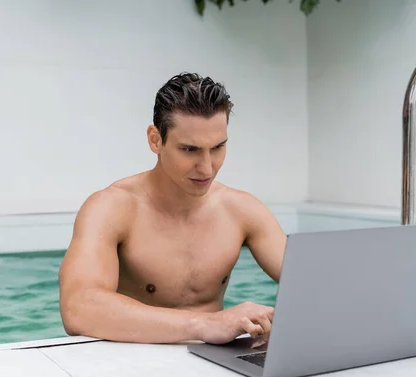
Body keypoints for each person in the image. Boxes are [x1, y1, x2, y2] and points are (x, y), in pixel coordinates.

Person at [58, 72, 287, 345]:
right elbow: (78, 308)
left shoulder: (241, 209)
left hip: (214, 366)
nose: (206, 167)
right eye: (190, 150)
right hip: (134, 365)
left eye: (218, 148)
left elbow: (317, 286)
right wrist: (205, 324)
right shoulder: (111, 208)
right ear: (156, 140)